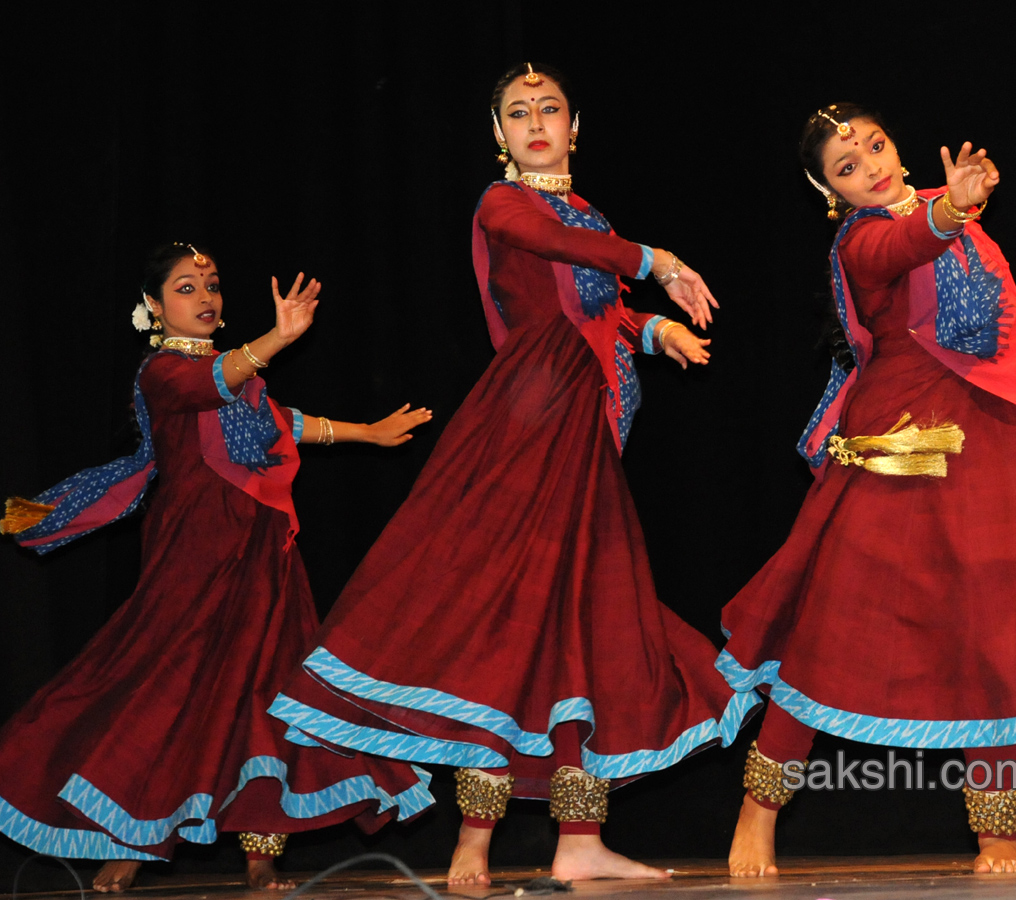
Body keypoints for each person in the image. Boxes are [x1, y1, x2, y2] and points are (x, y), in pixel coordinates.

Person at [269, 63, 759, 885]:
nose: (536, 122)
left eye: (551, 109)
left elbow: (593, 304)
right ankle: (472, 841)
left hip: (586, 431)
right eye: (518, 113)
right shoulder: (504, 205)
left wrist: (651, 335)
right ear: (499, 136)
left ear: (576, 124)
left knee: (584, 624)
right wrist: (657, 258)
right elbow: (557, 256)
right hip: (528, 425)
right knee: (511, 618)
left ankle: (579, 839)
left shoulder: (586, 214)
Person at [719, 102, 1016, 877]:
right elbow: (907, 241)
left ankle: (998, 836)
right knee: (831, 630)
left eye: (875, 146)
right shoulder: (862, 241)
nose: (871, 165)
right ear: (827, 189)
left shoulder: (955, 227)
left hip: (999, 435)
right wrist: (951, 205)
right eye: (848, 166)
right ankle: (757, 813)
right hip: (906, 445)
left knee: (996, 629)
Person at [0, 243, 434, 891]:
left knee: (271, 691)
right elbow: (215, 383)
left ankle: (262, 856)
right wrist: (277, 339)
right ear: (152, 305)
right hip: (197, 554)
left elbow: (276, 422)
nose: (205, 297)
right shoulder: (163, 373)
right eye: (184, 287)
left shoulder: (241, 378)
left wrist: (364, 433)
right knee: (168, 688)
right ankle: (136, 837)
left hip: (265, 554)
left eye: (211, 284)